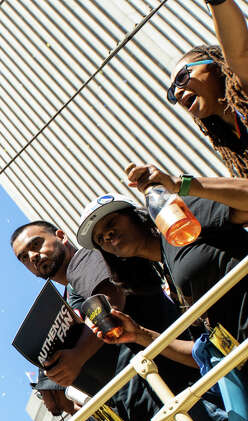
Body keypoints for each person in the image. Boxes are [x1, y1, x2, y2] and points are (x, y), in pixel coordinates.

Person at [79, 165, 248, 347]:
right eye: (99, 238)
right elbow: (203, 354)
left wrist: (180, 184)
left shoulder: (181, 218)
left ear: (135, 215)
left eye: (111, 222)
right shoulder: (168, 283)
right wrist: (140, 335)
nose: (107, 235)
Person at [10, 220, 121, 387]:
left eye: (36, 244)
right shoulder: (67, 298)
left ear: (61, 236)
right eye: (24, 257)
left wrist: (78, 355)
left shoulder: (84, 260)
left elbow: (111, 301)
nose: (32, 256)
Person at [167, 1, 248, 176]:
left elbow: (238, 54)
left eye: (182, 77)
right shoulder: (230, 141)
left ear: (216, 67)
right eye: (172, 93)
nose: (177, 93)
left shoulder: (245, 94)